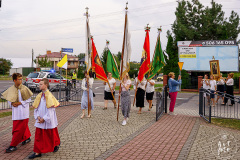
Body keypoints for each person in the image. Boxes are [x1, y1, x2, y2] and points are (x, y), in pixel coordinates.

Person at [29, 78, 60, 159]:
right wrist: (38, 117)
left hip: (47, 119)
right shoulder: (39, 96)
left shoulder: (49, 96)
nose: (39, 85)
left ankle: (55, 144)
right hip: (40, 119)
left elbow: (51, 110)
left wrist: (44, 118)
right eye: (39, 84)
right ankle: (37, 152)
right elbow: (36, 108)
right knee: (38, 136)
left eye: (41, 84)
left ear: (46, 85)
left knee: (51, 134)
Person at [2, 73, 33, 153]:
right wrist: (12, 103)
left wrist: (19, 103)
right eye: (19, 79)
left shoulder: (24, 88)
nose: (21, 80)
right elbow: (9, 99)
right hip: (16, 112)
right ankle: (27, 138)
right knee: (21, 127)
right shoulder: (11, 89)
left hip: (23, 112)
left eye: (21, 79)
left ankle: (13, 145)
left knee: (18, 130)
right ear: (14, 80)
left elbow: (29, 100)